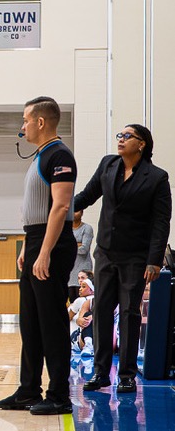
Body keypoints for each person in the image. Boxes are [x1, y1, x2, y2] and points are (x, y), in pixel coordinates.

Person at [75, 123, 172, 395]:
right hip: (105, 252)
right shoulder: (108, 165)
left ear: (141, 144)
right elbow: (88, 195)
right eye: (120, 135)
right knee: (102, 311)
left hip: (135, 257)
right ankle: (100, 372)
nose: (121, 139)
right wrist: (63, 207)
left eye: (127, 136)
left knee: (129, 313)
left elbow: (161, 222)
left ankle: (127, 375)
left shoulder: (156, 177)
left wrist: (154, 260)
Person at [0, 96, 77, 416]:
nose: (23, 126)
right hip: (35, 241)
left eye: (26, 120)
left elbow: (60, 206)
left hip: (51, 243)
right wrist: (28, 251)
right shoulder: (41, 155)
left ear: (41, 122)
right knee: (30, 322)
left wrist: (43, 253)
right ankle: (29, 389)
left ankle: (58, 394)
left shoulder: (59, 155)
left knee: (52, 322)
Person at [68, 210, 94, 302]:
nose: (75, 213)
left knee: (83, 300)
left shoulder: (87, 228)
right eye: (73, 211)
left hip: (83, 269)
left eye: (77, 211)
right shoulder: (66, 229)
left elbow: (84, 249)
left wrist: (69, 245)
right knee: (72, 300)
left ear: (82, 213)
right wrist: (77, 243)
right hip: (70, 271)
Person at [68, 275, 94, 354]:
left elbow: (68, 317)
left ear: (92, 289)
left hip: (78, 337)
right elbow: (80, 320)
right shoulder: (86, 301)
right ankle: (88, 344)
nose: (80, 289)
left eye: (83, 287)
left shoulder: (79, 300)